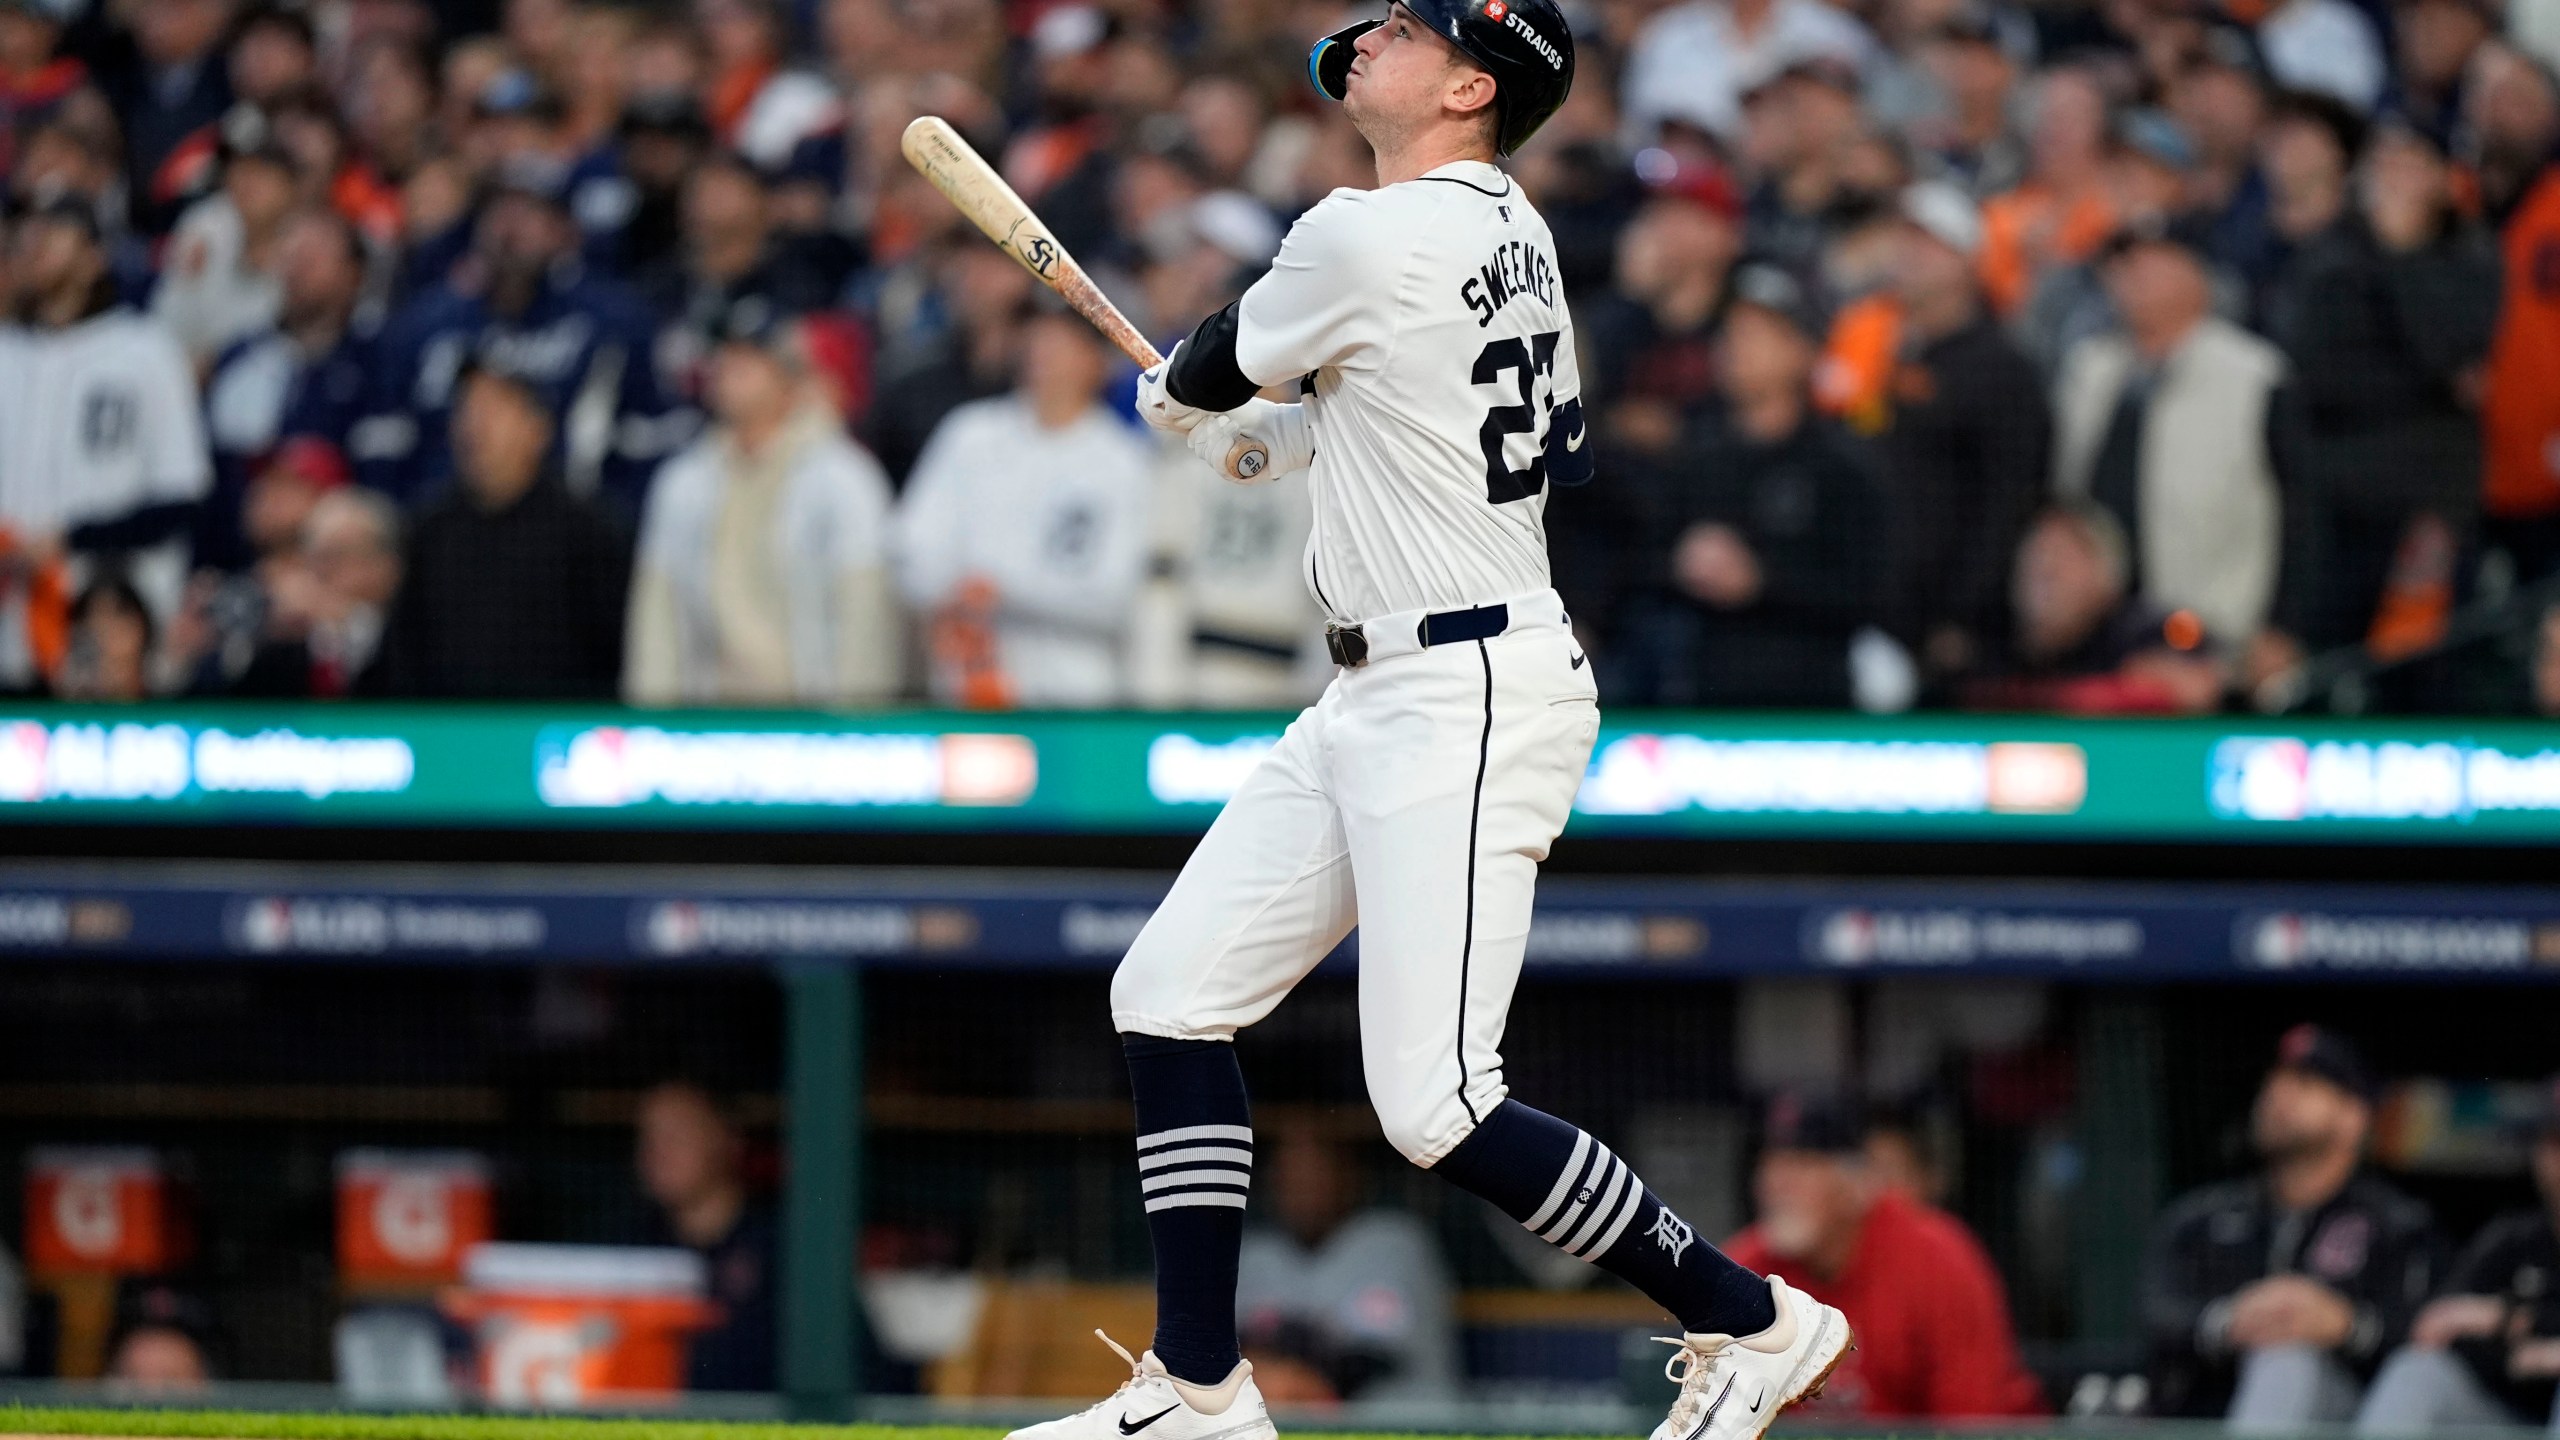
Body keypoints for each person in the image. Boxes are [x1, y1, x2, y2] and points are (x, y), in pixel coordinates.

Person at [1014, 8, 1854, 1440]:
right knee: (1166, 993)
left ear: (1472, 85)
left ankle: (1750, 1321)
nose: (1372, 37)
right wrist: (1259, 423)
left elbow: (1221, 373)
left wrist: (1188, 396)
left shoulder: (1361, 228)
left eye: (1412, 30)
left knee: (1439, 1105)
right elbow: (1422, 422)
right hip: (1378, 687)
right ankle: (1202, 1389)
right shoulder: (1513, 230)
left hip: (1461, 692)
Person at [2265, 121, 2501, 667]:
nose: (2394, 180)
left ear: (2443, 180)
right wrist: (2421, 384)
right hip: (2329, 508)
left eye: (2410, 164)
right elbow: (2314, 369)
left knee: (2420, 669)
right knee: (2323, 669)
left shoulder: (2471, 254)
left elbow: (2448, 348)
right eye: (2383, 165)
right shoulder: (2330, 253)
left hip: (2426, 508)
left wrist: (2402, 255)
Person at [2141, 1024, 2448, 1430]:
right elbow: (2155, 1312)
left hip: (2346, 1416)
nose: (2277, 1096)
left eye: (2304, 1084)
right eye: (2275, 1080)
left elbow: (2427, 1336)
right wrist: (2227, 1321)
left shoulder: (2397, 1224)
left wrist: (2347, 1325)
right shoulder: (2201, 1218)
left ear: (2352, 1118)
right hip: (2208, 1414)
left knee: (2289, 1361)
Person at [356, 153, 673, 509]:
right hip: (445, 534)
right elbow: (383, 443)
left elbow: (649, 441)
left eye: (529, 213)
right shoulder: (425, 324)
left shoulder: (615, 320)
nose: (509, 227)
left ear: (564, 231)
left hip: (574, 534)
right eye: (498, 211)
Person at [625, 308, 901, 706]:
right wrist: (653, 718)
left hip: (810, 717)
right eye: (723, 359)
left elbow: (866, 614)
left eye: (749, 360)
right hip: (711, 720)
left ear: (791, 380)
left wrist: (858, 725)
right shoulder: (683, 482)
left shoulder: (843, 478)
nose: (728, 370)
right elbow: (658, 615)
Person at [1639, 263, 1885, 707]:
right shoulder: (1694, 459)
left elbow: (1871, 593)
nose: (1737, 348)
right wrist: (1681, 565)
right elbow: (1639, 567)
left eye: (1759, 334)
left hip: (1811, 712)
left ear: (1803, 352)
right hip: (1703, 706)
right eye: (1730, 333)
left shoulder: (1842, 466)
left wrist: (1761, 582)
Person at [894, 306, 1154, 709]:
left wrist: (1003, 591)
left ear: (1096, 361)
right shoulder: (969, 434)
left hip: (1076, 694)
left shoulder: (1125, 460)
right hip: (966, 682)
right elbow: (910, 549)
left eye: (1059, 343)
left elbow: (1116, 596)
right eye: (1035, 340)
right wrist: (957, 591)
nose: (1041, 354)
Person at [0, 196, 211, 692]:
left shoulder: (145, 350)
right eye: (26, 238)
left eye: (53, 235)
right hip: (11, 626)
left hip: (115, 624)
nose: (34, 248)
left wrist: (70, 539)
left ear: (95, 254)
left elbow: (180, 497)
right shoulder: (4, 354)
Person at [1722, 1096, 2045, 1419]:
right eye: (1771, 1162)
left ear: (1856, 1184)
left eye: (1804, 1164)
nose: (1778, 1182)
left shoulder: (1935, 1259)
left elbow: (1971, 1420)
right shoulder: (1752, 1265)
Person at [2052, 222, 2284, 654]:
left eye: (2149, 257)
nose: (2129, 272)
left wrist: (2282, 626)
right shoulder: (2091, 369)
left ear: (2197, 272)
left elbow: (2301, 511)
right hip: (2097, 635)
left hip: (2214, 630)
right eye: (2120, 262)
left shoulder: (2256, 375)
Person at [1872, 181, 2049, 695]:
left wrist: (1966, 616)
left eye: (1928, 244)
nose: (1909, 256)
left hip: (1963, 638)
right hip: (1890, 621)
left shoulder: (2002, 368)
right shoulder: (1898, 360)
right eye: (1905, 240)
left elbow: (2011, 499)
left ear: (1968, 262)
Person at [371, 362, 629, 697]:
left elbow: (616, 655)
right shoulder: (429, 530)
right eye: (467, 410)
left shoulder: (590, 531)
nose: (475, 426)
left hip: (554, 733)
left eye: (493, 409)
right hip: (449, 735)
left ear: (539, 429)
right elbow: (404, 656)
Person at [2354, 1075, 2560, 1434]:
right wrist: (2512, 1337)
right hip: (2511, 1419)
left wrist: (2511, 1321)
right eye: (2553, 1141)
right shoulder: (2514, 1239)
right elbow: (2434, 1326)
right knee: (2417, 1374)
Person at [200, 207, 376, 573]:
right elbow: (213, 479)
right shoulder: (240, 359)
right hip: (240, 565)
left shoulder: (378, 359)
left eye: (316, 256)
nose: (299, 267)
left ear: (353, 274)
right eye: (292, 255)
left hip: (342, 568)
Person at [1234, 1122, 1460, 1404]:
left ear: (1348, 1176)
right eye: (1289, 1175)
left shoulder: (1393, 1242)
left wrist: (1290, 1377)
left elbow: (1371, 1363)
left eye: (1316, 1172)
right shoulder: (1255, 1254)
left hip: (1399, 1419)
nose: (1303, 1187)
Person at [1966, 504, 2226, 714]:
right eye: (2035, 554)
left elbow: (2199, 684)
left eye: (2062, 556)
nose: (2044, 571)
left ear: (2106, 576)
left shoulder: (2141, 633)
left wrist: (2138, 687)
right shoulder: (1988, 643)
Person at [635, 1081, 777, 1393]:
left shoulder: (780, 1249)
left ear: (728, 1140)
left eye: (678, 1135)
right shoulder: (632, 1246)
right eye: (650, 1137)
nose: (659, 1152)